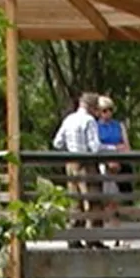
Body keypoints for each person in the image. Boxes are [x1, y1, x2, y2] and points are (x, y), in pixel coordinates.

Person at [50, 92, 102, 239]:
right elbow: (95, 147)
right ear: (92, 107)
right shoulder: (89, 120)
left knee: (75, 201)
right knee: (92, 200)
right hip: (87, 163)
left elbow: (57, 143)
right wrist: (110, 149)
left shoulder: (69, 119)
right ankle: (93, 238)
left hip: (71, 163)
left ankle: (73, 238)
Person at [94, 94, 129, 224]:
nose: (107, 113)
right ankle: (107, 224)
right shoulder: (95, 126)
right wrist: (114, 148)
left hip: (117, 163)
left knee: (114, 196)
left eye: (110, 110)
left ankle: (115, 226)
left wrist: (117, 153)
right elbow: (96, 146)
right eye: (104, 110)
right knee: (105, 195)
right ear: (98, 112)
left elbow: (126, 146)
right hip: (102, 163)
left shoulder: (118, 125)